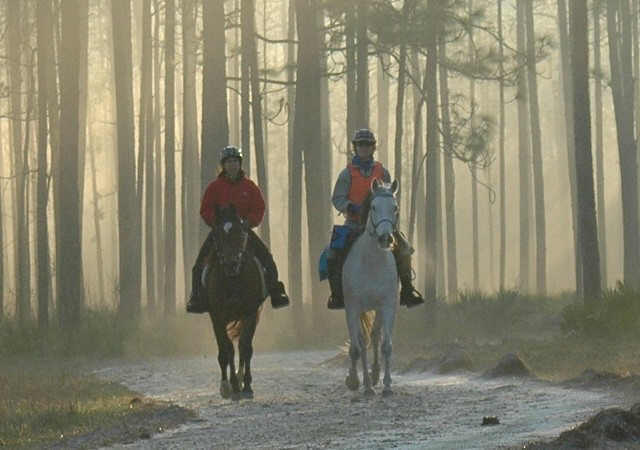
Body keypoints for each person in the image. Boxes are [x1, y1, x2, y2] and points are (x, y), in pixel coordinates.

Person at [327, 128, 425, 310]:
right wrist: (349, 206)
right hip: (353, 224)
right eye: (360, 145)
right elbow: (337, 198)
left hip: (381, 225)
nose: (364, 148)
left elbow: (390, 196)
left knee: (404, 249)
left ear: (373, 148)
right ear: (355, 148)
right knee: (330, 253)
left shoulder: (382, 172)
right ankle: (337, 295)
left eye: (367, 145)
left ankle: (407, 290)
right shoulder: (346, 174)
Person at [186, 145, 290, 313]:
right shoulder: (214, 187)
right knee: (199, 264)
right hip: (220, 232)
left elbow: (259, 208)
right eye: (228, 162)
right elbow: (205, 209)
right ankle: (196, 297)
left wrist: (248, 222)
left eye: (235, 161)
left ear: (240, 164)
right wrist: (216, 223)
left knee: (267, 258)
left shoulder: (250, 187)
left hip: (242, 231)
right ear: (223, 165)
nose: (232, 165)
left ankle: (276, 292)